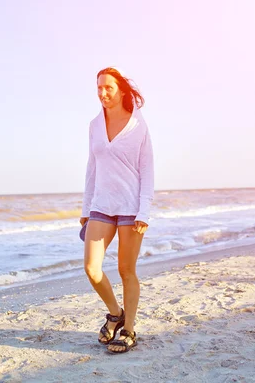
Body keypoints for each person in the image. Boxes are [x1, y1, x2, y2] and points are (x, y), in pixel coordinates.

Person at [80, 67, 154, 354]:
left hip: (131, 207)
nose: (102, 93)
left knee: (126, 270)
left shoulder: (138, 125)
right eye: (99, 88)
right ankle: (115, 313)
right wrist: (86, 207)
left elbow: (147, 169)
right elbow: (92, 167)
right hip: (101, 205)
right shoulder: (94, 125)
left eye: (108, 87)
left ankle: (129, 330)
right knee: (91, 268)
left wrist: (143, 211)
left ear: (121, 89)